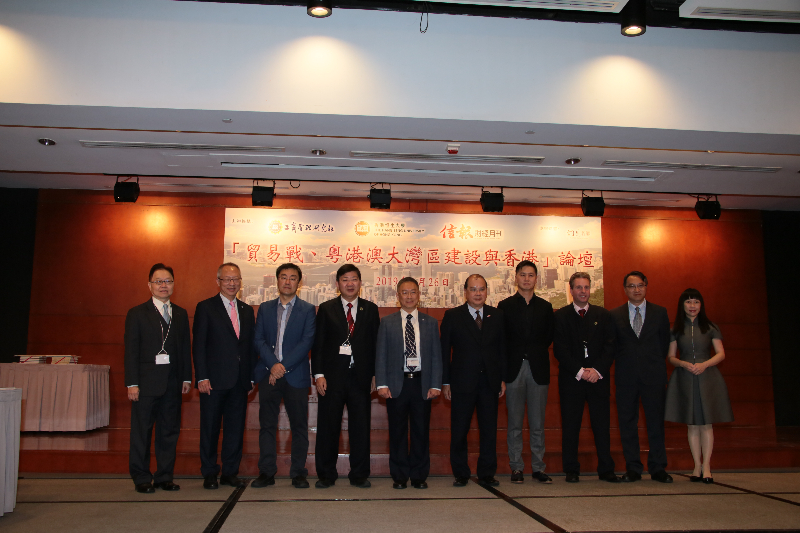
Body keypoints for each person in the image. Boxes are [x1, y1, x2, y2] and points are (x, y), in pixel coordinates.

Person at [124, 263, 192, 494]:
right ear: (149, 285)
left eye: (168, 281)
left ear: (174, 284)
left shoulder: (181, 314)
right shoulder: (137, 313)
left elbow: (184, 348)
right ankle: (141, 477)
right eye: (159, 281)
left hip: (173, 384)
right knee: (142, 432)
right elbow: (131, 351)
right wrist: (132, 383)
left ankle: (164, 476)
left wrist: (186, 377)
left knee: (169, 432)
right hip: (144, 385)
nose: (164, 285)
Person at [312, 264, 380, 488]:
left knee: (360, 428)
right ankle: (326, 474)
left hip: (360, 378)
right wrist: (319, 374)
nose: (350, 284)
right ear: (337, 284)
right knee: (328, 427)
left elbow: (375, 346)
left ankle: (359, 474)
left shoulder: (370, 309)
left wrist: (374, 374)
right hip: (332, 378)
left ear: (360, 283)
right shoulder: (326, 308)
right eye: (345, 280)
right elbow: (319, 344)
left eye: (354, 279)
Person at [252, 263, 316, 489]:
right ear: (277, 281)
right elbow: (258, 340)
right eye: (283, 277)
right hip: (268, 375)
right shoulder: (265, 308)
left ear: (299, 282)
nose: (287, 281)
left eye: (292, 278)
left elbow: (306, 342)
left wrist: (281, 367)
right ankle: (266, 472)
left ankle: (298, 472)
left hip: (295, 376)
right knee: (267, 426)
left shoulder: (308, 310)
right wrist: (273, 365)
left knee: (299, 427)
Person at [192, 262, 255, 490]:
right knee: (210, 428)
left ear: (240, 282)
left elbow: (248, 347)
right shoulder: (206, 307)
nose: (232, 283)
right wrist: (202, 377)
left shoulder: (247, 310)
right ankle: (209, 472)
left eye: (236, 279)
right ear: (218, 281)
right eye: (227, 279)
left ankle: (230, 472)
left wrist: (250, 378)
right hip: (213, 381)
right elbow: (198, 345)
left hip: (239, 382)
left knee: (235, 429)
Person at [376, 277, 442, 489]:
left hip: (422, 384)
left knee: (421, 431)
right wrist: (382, 383)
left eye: (413, 292)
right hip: (397, 384)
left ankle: (419, 475)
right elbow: (381, 355)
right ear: (398, 296)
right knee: (397, 432)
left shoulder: (430, 323)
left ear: (419, 296)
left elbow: (436, 357)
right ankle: (399, 476)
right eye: (405, 292)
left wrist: (436, 384)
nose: (409, 296)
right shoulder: (387, 322)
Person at [441, 274, 506, 487]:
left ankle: (487, 473)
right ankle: (461, 472)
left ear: (487, 291)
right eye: (473, 289)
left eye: (481, 289)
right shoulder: (453, 316)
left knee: (489, 430)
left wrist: (502, 379)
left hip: (490, 382)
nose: (478, 293)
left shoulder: (497, 316)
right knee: (459, 430)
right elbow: (444, 352)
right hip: (461, 382)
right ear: (465, 292)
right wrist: (446, 382)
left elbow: (501, 351)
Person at [553, 273, 618, 483]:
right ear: (570, 290)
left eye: (586, 287)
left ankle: (606, 469)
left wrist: (596, 370)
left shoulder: (603, 314)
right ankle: (571, 469)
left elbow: (610, 347)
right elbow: (560, 350)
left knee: (601, 425)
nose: (583, 291)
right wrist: (581, 371)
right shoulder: (561, 316)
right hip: (572, 380)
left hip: (598, 379)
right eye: (578, 287)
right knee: (571, 426)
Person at [665, 288, 733, 484]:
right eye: (688, 302)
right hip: (685, 376)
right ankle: (696, 466)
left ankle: (708, 467)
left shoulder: (711, 327)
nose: (692, 306)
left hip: (707, 376)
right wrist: (684, 363)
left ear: (701, 305)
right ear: (682, 305)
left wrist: (704, 364)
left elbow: (721, 353)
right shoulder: (675, 329)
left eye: (696, 302)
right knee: (692, 423)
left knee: (706, 423)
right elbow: (671, 357)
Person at [610, 271, 673, 483]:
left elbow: (663, 344)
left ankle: (658, 467)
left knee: (655, 423)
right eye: (631, 286)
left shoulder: (660, 312)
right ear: (625, 289)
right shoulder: (615, 314)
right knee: (627, 424)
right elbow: (614, 347)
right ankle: (633, 468)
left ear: (646, 286)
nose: (636, 290)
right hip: (626, 377)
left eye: (640, 285)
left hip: (653, 376)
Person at [497, 260, 554, 484]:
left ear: (536, 279)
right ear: (516, 278)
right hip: (513, 370)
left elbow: (549, 336)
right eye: (523, 275)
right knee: (515, 423)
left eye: (531, 275)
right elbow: (501, 340)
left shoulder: (545, 307)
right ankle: (516, 467)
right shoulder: (505, 306)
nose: (527, 279)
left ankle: (539, 468)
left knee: (538, 423)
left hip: (538, 369)